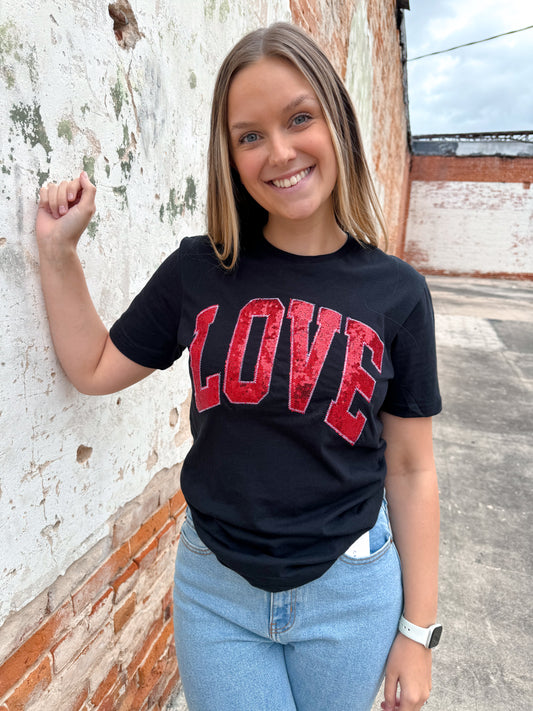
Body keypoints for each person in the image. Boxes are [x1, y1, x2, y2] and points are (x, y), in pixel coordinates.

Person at [35, 22, 441, 711]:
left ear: (335, 121)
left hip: (350, 585)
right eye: (249, 134)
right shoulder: (201, 268)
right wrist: (57, 253)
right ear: (228, 153)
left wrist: (417, 629)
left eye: (298, 118)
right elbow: (95, 365)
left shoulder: (397, 292)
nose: (278, 151)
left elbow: (409, 466)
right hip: (216, 589)